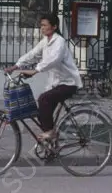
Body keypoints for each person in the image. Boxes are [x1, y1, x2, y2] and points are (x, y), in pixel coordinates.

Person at [5, 12, 82, 145]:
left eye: (45, 25)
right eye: (41, 25)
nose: (42, 28)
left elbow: (53, 60)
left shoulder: (59, 42)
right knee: (41, 113)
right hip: (55, 83)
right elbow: (32, 54)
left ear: (54, 27)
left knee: (43, 99)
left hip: (68, 83)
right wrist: (16, 66)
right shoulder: (45, 41)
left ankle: (51, 134)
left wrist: (35, 71)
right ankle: (52, 145)